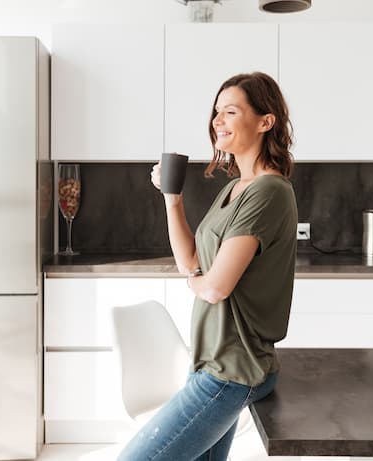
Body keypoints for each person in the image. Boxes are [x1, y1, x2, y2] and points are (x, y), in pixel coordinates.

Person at [117, 72, 298, 461]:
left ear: (266, 122)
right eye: (216, 112)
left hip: (232, 370)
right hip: (211, 364)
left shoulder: (268, 191)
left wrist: (197, 281)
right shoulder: (234, 188)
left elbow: (215, 286)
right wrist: (172, 198)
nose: (217, 120)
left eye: (230, 111)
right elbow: (191, 262)